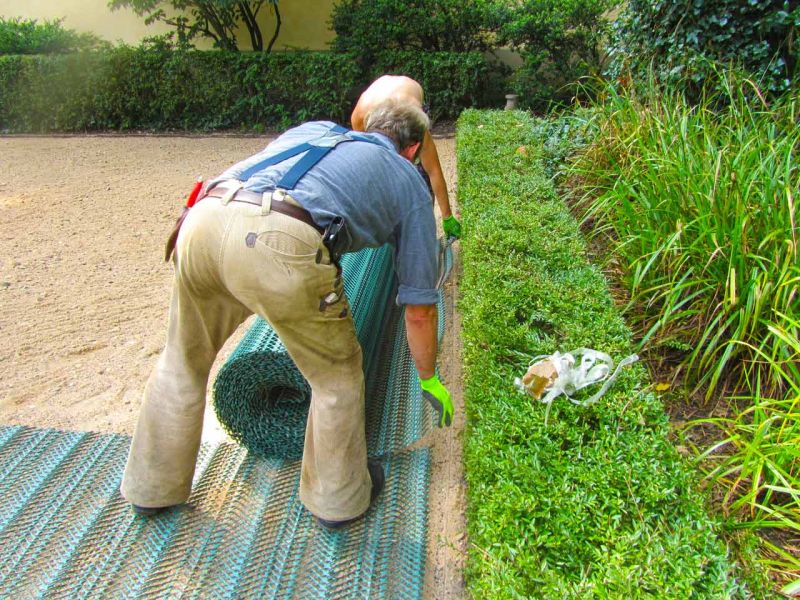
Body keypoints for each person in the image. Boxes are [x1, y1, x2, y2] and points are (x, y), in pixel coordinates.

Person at [120, 100, 454, 529]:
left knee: (182, 359)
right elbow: (420, 309)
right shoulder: (409, 179)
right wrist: (429, 379)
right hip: (279, 240)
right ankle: (338, 500)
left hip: (202, 220)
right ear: (413, 148)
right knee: (336, 376)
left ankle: (152, 489)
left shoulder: (315, 128)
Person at [351, 75, 462, 239]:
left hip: (408, 96)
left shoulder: (413, 122)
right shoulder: (359, 121)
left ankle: (421, 232)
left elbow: (433, 170)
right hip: (378, 101)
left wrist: (447, 217)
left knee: (422, 179)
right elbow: (365, 172)